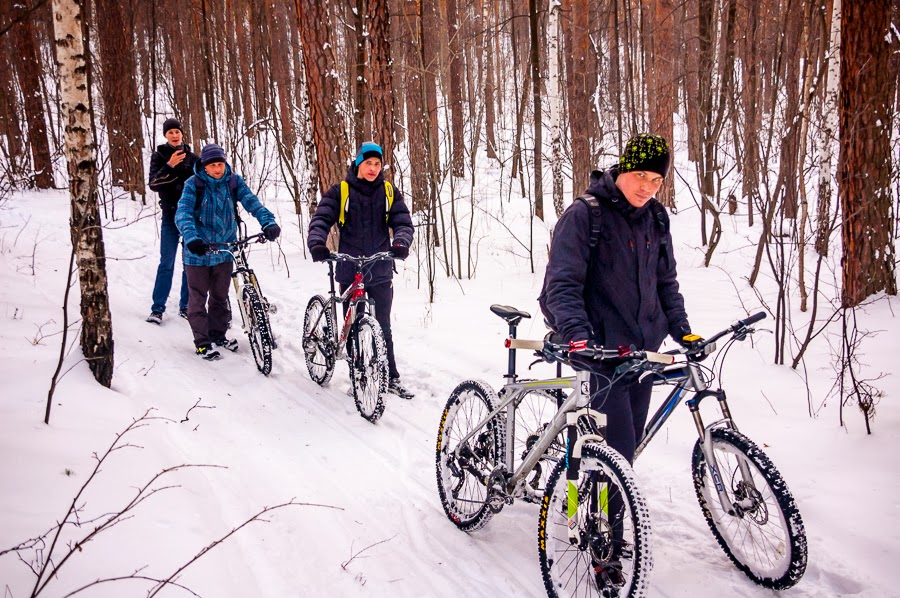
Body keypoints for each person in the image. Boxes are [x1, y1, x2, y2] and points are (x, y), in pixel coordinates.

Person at [539, 134, 696, 588]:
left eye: (656, 180)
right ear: (620, 170)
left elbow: (666, 282)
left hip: (641, 352)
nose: (646, 187)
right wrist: (578, 337)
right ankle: (604, 547)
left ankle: (600, 509)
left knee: (625, 452)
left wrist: (682, 328)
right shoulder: (584, 215)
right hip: (599, 350)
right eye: (639, 176)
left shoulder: (657, 219)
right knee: (620, 452)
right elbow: (562, 284)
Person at [307, 141, 415, 398]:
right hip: (348, 264)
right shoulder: (341, 190)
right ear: (358, 163)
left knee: (383, 326)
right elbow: (322, 218)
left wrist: (400, 242)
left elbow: (403, 221)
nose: (373, 168)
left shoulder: (388, 191)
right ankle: (358, 374)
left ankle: (390, 377)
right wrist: (317, 243)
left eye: (377, 164)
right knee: (354, 323)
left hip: (379, 265)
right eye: (368, 163)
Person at [175, 143, 281, 361]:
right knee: (197, 297)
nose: (217, 169)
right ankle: (202, 342)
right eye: (212, 165)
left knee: (220, 296)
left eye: (220, 164)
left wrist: (268, 222)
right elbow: (183, 213)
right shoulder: (193, 184)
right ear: (204, 167)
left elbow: (252, 202)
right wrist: (192, 238)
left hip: (225, 250)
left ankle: (219, 335)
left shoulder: (233, 181)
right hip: (198, 252)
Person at [146, 118, 197, 324]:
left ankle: (186, 306)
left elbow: (201, 186)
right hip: (170, 217)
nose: (174, 135)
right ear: (165, 135)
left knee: (190, 264)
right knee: (166, 263)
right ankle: (157, 309)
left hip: (191, 218)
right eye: (170, 133)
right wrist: (170, 166)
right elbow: (154, 184)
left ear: (182, 133)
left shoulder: (193, 159)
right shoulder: (159, 157)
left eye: (177, 131)